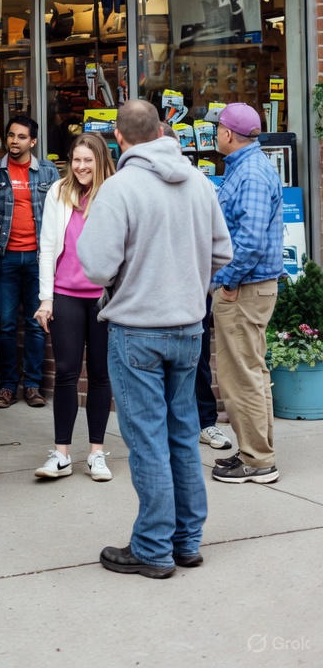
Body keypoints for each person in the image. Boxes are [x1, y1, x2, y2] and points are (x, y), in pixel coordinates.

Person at [77, 99, 232, 578]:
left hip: (137, 330)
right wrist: (186, 285)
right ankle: (186, 541)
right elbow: (222, 254)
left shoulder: (120, 188)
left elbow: (97, 266)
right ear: (163, 129)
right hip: (187, 327)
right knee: (182, 435)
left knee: (146, 442)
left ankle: (152, 547)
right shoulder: (200, 183)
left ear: (118, 139)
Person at [33, 133, 116, 482]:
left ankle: (96, 453)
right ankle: (62, 453)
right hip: (65, 295)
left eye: (88, 160)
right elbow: (48, 247)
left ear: (100, 160)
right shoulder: (57, 192)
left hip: (104, 298)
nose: (81, 167)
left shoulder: (114, 193)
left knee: (100, 374)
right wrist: (45, 298)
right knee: (66, 372)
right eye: (76, 160)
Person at [210, 103, 283, 485]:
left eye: (216, 128)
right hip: (250, 287)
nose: (213, 134)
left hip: (245, 288)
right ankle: (258, 454)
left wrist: (228, 280)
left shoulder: (251, 173)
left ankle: (258, 462)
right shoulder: (248, 168)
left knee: (241, 377)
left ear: (227, 134)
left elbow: (250, 241)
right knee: (250, 373)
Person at [0, 114, 58, 409]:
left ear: (33, 141)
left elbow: (59, 212)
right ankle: (8, 386)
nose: (14, 141)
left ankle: (32, 386)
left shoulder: (48, 172)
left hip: (38, 258)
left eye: (22, 137)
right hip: (5, 257)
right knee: (6, 324)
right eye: (11, 136)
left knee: (35, 325)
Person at [162, 125, 233, 453]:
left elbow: (219, 244)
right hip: (154, 293)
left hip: (192, 292)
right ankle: (163, 428)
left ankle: (206, 423)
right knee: (157, 364)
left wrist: (206, 283)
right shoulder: (136, 187)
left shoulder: (201, 185)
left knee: (198, 360)